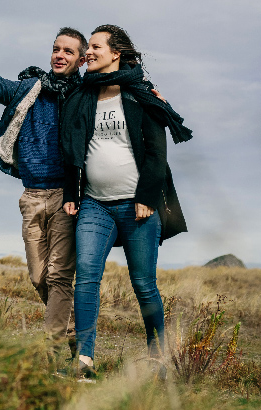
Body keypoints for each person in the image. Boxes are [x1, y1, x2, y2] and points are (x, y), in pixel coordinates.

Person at [60, 24, 191, 379]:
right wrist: (72, 195)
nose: (88, 52)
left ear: (115, 52)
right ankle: (83, 362)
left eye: (95, 46)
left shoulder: (139, 94)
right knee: (86, 278)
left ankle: (159, 358)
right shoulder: (82, 94)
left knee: (143, 283)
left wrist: (147, 198)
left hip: (137, 206)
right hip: (94, 205)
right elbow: (72, 151)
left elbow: (155, 152)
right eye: (87, 47)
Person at [0, 28, 88, 353]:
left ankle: (58, 355)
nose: (59, 55)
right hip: (31, 196)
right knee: (39, 277)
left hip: (67, 197)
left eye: (68, 51)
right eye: (56, 49)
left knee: (58, 276)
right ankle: (77, 335)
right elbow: (0, 87)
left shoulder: (85, 96)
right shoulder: (30, 87)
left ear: (81, 60)